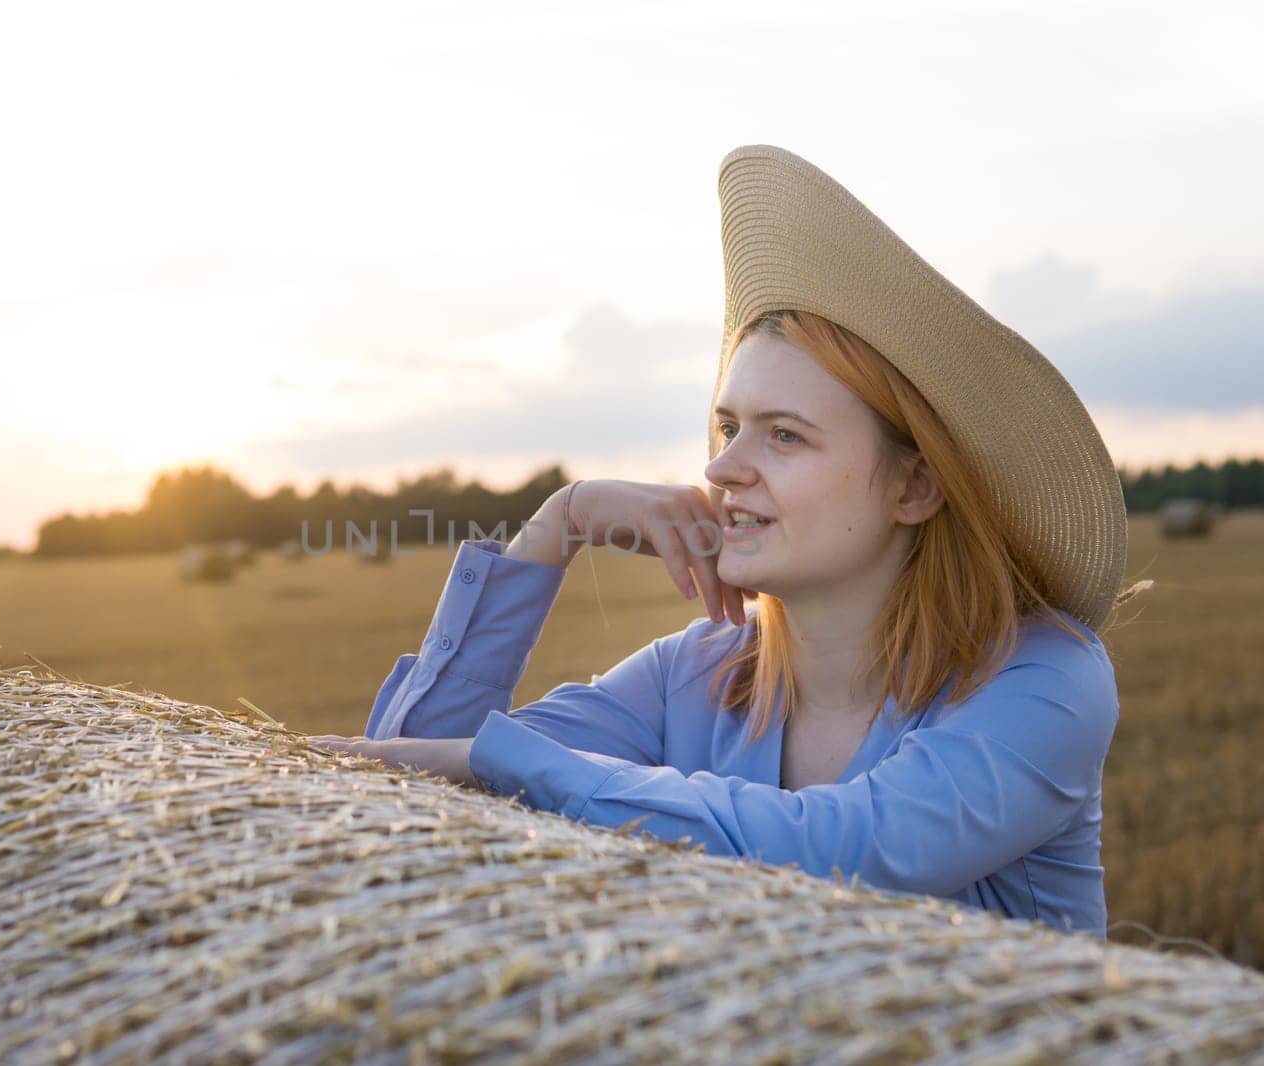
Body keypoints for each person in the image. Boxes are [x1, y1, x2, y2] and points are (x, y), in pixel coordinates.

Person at [311, 145, 1144, 939]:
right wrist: (554, 526)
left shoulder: (1043, 677)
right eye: (728, 427)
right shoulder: (698, 672)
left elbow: (847, 851)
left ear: (915, 485)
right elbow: (405, 780)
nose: (723, 471)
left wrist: (504, 761)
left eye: (783, 436)